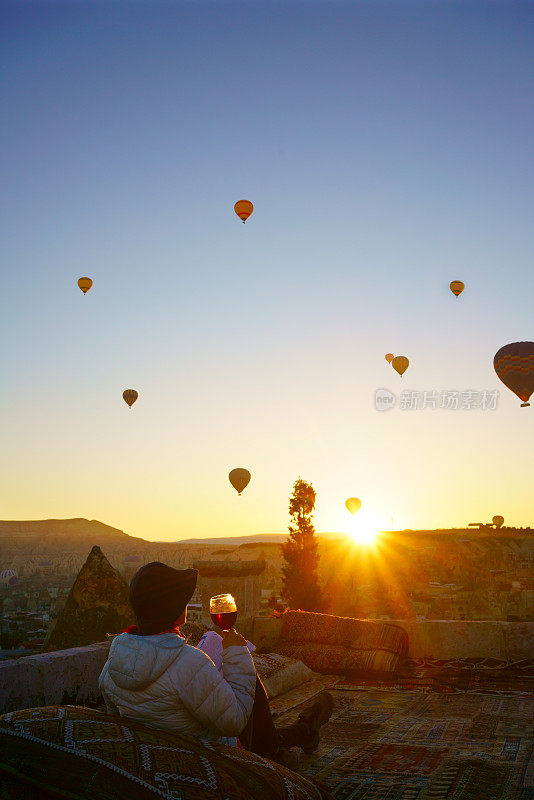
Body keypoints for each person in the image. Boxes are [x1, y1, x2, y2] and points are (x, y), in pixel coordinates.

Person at [99, 562, 333, 766]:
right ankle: (296, 737)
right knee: (247, 680)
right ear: (175, 610)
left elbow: (118, 717)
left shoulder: (113, 664)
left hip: (162, 751)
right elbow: (234, 721)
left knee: (245, 703)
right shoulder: (188, 662)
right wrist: (238, 653)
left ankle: (296, 736)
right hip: (214, 757)